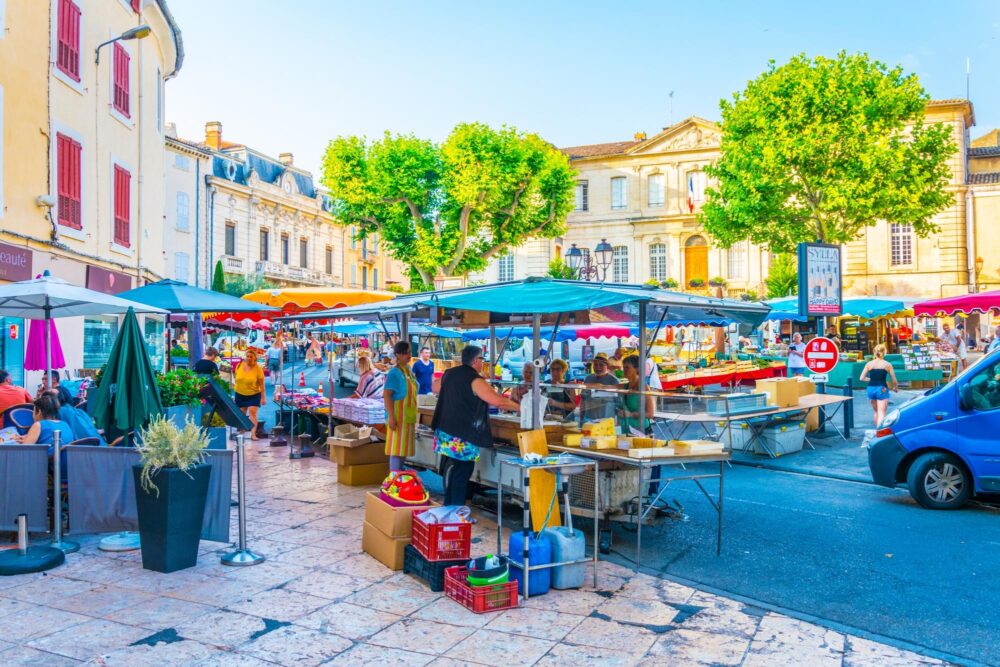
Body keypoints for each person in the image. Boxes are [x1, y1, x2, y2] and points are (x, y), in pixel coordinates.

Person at [431, 346, 520, 506]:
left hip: (445, 430)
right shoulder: (475, 380)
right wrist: (522, 407)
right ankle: (455, 510)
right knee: (463, 471)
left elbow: (435, 387)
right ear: (475, 361)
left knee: (456, 470)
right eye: (482, 359)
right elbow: (497, 401)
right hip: (463, 434)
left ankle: (449, 507)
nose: (482, 362)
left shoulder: (450, 373)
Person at [383, 341, 417, 472]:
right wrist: (391, 416)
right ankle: (394, 480)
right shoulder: (394, 373)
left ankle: (398, 480)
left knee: (403, 450)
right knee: (396, 450)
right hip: (397, 418)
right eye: (405, 353)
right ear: (398, 354)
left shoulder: (408, 370)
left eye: (409, 352)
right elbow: (387, 395)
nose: (409, 355)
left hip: (407, 417)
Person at [860, 344, 898, 428]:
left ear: (874, 352)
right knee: (882, 413)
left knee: (876, 412)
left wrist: (871, 379)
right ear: (884, 352)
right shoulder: (887, 364)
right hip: (882, 388)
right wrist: (895, 387)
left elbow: (861, 378)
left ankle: (877, 430)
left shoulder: (869, 364)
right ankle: (880, 432)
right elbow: (894, 380)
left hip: (870, 389)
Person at [234, 349, 266, 440]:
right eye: (247, 356)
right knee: (242, 414)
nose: (248, 358)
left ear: (255, 358)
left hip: (254, 394)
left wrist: (263, 397)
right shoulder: (239, 365)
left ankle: (253, 434)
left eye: (251, 357)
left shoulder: (258, 369)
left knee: (253, 414)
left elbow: (262, 384)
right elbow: (236, 378)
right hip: (240, 393)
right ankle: (242, 432)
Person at [620, 356, 656, 434]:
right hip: (627, 429)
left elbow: (650, 414)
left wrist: (630, 414)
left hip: (641, 430)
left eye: (627, 367)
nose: (624, 370)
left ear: (637, 369)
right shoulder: (625, 385)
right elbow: (604, 386)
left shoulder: (644, 387)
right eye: (623, 368)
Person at [580, 352, 621, 421]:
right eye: (596, 365)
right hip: (588, 418)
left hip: (606, 419)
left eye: (601, 365)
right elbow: (583, 398)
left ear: (607, 366)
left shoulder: (614, 380)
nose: (598, 367)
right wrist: (582, 412)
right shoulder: (588, 378)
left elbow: (619, 403)